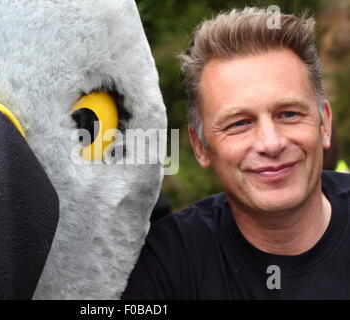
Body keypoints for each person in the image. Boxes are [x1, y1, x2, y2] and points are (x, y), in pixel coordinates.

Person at [122, 7, 350, 299]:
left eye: (289, 114)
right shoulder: (165, 264)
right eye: (239, 123)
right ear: (201, 147)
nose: (271, 143)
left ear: (325, 124)